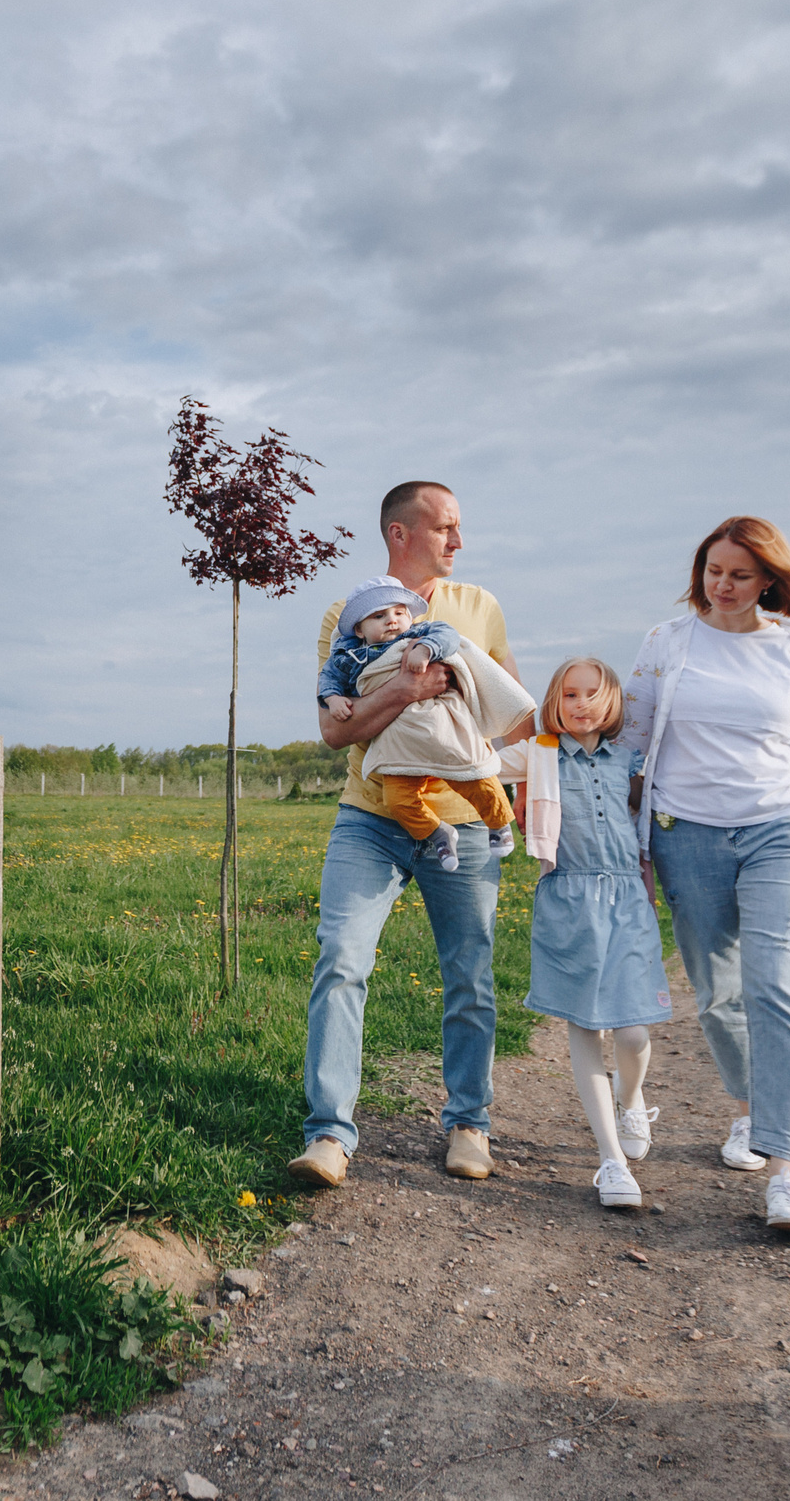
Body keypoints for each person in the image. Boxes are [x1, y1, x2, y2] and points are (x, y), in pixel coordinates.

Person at [618, 516, 790, 1238]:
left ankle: (786, 1171)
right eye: (713, 570)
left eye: (739, 574)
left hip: (780, 829)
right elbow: (629, 743)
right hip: (684, 835)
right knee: (719, 994)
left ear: (768, 582)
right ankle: (754, 1108)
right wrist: (621, 840)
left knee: (780, 987)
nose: (721, 585)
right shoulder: (668, 644)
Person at [289, 482, 526, 1188]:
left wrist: (481, 771)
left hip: (462, 824)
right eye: (446, 527)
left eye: (460, 527)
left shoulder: (479, 607)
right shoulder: (349, 612)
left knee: (470, 975)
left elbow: (514, 714)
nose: (459, 540)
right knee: (341, 959)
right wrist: (405, 693)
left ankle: (468, 1123)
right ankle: (329, 1133)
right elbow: (335, 729)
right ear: (401, 532)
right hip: (370, 818)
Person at [511, 655, 671, 1210]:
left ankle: (631, 1100)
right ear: (555, 702)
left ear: (612, 704)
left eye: (593, 695)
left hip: (627, 899)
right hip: (568, 898)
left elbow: (647, 814)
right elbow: (475, 762)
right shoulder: (537, 756)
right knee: (583, 1026)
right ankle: (612, 1161)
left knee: (632, 1034)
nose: (581, 705)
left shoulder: (630, 759)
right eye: (570, 695)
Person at [316, 575, 528, 873]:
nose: (392, 621)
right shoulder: (348, 655)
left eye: (399, 613)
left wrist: (425, 648)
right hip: (398, 747)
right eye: (379, 616)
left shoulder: (419, 634)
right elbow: (329, 679)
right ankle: (437, 833)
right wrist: (333, 698)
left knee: (475, 775)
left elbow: (448, 635)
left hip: (440, 733)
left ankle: (498, 823)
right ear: (359, 629)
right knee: (398, 800)